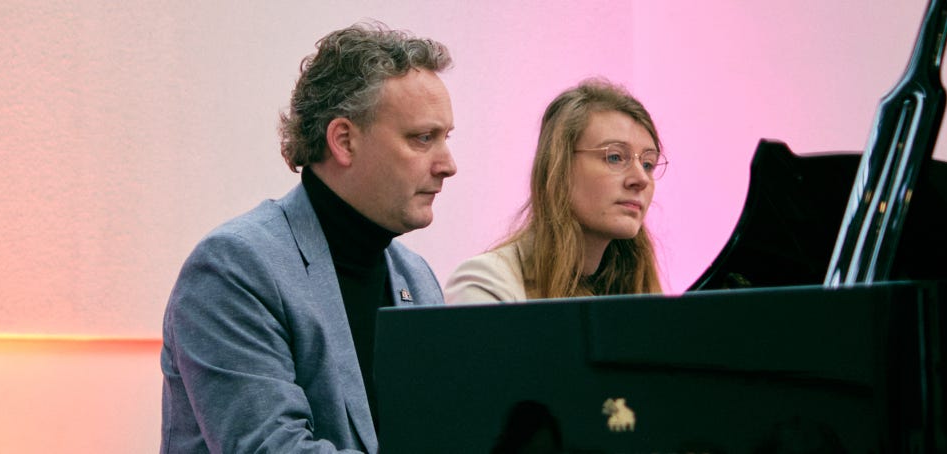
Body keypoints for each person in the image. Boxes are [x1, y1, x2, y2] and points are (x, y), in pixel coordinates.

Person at [160, 22, 455, 453]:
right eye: (423, 138)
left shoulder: (417, 277)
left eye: (445, 138)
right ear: (344, 140)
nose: (448, 165)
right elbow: (272, 447)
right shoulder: (233, 267)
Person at [445, 79, 665, 303]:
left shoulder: (635, 288)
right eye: (615, 157)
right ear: (558, 167)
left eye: (648, 164)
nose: (641, 179)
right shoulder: (486, 286)